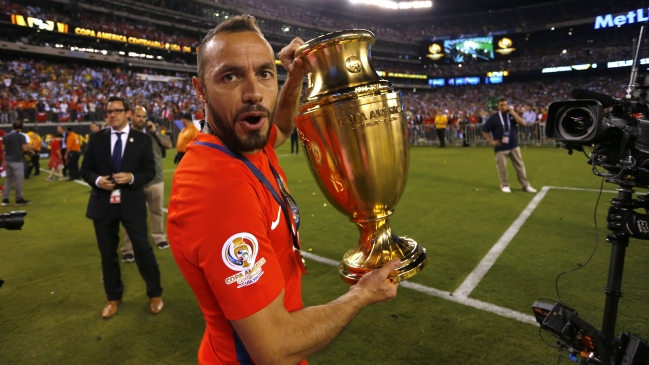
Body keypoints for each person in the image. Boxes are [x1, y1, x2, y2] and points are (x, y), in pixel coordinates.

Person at [167, 15, 399, 365]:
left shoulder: (245, 144)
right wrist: (362, 294)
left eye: (263, 73)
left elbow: (282, 127)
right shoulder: (217, 191)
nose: (253, 94)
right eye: (230, 76)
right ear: (200, 90)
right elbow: (275, 348)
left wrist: (294, 79)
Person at [80, 96, 164, 319]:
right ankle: (113, 296)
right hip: (102, 204)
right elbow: (85, 169)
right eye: (109, 111)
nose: (112, 114)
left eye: (117, 110)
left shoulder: (142, 140)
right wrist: (98, 181)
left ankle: (155, 293)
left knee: (143, 249)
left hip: (131, 202)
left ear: (127, 113)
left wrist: (132, 177)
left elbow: (150, 171)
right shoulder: (96, 138)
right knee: (108, 254)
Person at [120, 106, 172, 263]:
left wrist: (156, 132)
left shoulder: (152, 133)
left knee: (157, 212)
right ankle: (129, 249)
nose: (141, 119)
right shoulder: (125, 134)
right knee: (132, 217)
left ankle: (159, 237)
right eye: (138, 116)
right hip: (134, 182)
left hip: (156, 180)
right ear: (131, 116)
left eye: (143, 116)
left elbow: (169, 144)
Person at [481, 98, 537, 194]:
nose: (503, 106)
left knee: (520, 166)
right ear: (498, 106)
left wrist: (513, 113)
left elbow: (523, 123)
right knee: (502, 168)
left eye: (505, 105)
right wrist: (490, 141)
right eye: (501, 105)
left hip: (513, 145)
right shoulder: (493, 118)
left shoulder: (511, 115)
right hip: (500, 147)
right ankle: (505, 185)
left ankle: (525, 185)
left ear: (508, 106)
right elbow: (484, 130)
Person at [2, 120, 33, 206]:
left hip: (7, 159)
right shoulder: (21, 136)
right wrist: (31, 151)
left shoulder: (6, 136)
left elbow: (3, 148)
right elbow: (25, 148)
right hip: (17, 160)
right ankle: (18, 199)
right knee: (19, 180)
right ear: (21, 127)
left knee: (8, 180)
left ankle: (5, 199)